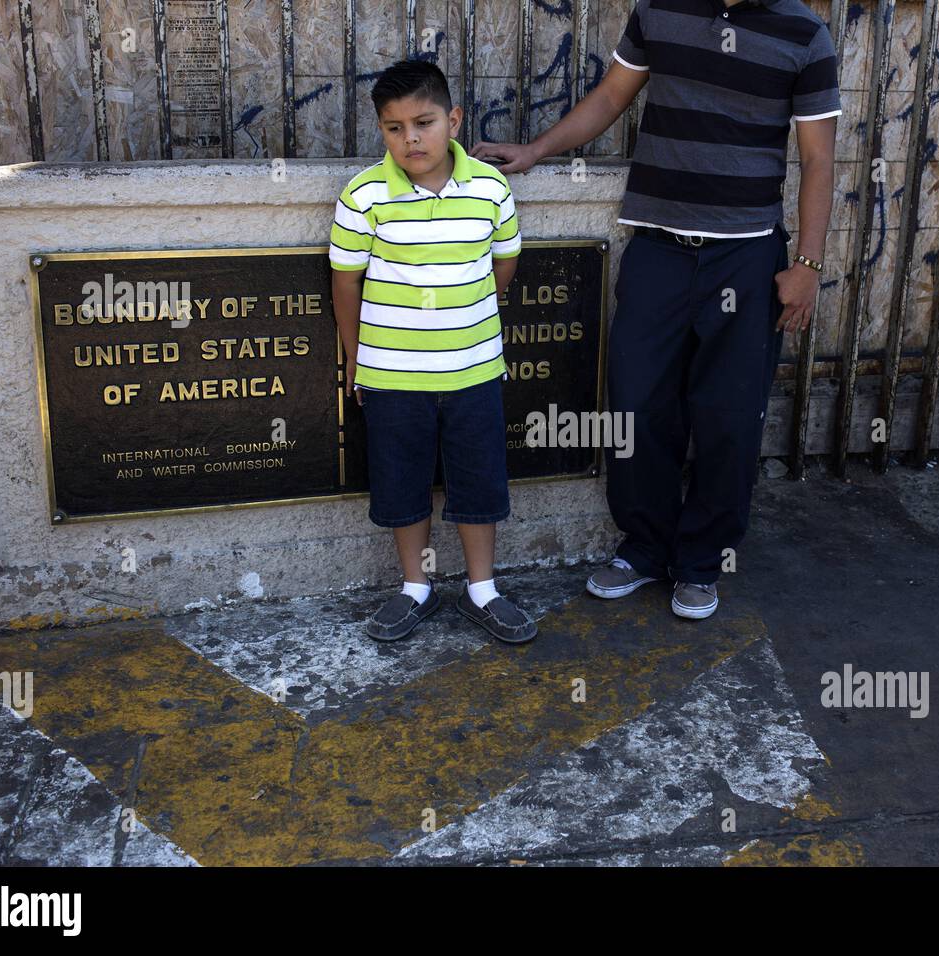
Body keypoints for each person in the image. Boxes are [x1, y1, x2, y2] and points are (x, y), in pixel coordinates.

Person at [473, 0, 840, 619]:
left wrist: (806, 266)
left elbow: (820, 158)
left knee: (728, 418)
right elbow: (612, 96)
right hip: (657, 250)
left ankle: (701, 562)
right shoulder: (659, 11)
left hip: (746, 259)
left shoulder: (805, 34)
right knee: (637, 406)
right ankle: (643, 549)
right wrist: (537, 150)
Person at [330, 59, 537, 644]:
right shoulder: (366, 194)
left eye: (423, 123)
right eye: (393, 128)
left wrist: (483, 308)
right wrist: (355, 359)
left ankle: (482, 590)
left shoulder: (490, 188)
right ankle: (415, 589)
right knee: (402, 481)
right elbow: (346, 282)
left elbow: (506, 258)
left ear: (454, 119)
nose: (410, 139)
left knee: (478, 481)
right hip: (393, 374)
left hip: (473, 370)